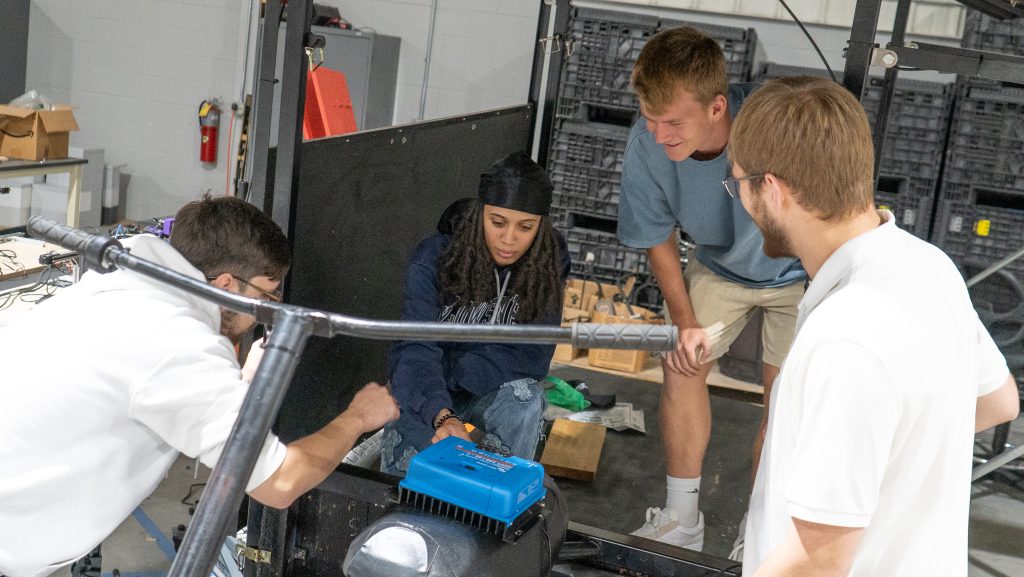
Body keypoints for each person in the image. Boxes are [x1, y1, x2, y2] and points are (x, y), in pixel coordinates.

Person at [0, 196, 399, 577]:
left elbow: (155, 389)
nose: (267, 312)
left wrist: (237, 379)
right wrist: (358, 418)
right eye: (267, 293)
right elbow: (279, 483)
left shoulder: (121, 286)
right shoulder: (179, 343)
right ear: (226, 284)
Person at [728, 76, 1020, 576]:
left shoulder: (846, 338)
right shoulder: (929, 265)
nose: (738, 200)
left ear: (772, 190)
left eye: (738, 185)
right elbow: (999, 401)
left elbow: (818, 562)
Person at [617, 26, 807, 552]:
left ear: (718, 107)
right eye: (651, 119)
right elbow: (656, 237)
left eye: (673, 122)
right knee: (680, 362)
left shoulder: (770, 127)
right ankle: (682, 519)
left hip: (799, 270)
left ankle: (761, 528)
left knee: (787, 400)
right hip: (720, 266)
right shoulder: (647, 144)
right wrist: (685, 324)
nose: (659, 134)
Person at [381, 151, 570, 475]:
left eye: (525, 227)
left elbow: (534, 355)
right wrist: (441, 413)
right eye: (498, 223)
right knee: (408, 482)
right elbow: (414, 350)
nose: (509, 239)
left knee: (525, 398)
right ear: (481, 213)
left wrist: (459, 376)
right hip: (431, 384)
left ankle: (498, 501)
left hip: (490, 386)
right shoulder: (434, 260)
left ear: (540, 227)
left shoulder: (548, 263)